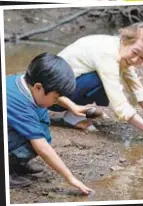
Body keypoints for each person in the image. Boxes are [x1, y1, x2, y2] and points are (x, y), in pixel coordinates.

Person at [49, 21, 143, 141]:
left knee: (106, 82)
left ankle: (75, 110)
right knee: (102, 81)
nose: (135, 60)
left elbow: (137, 88)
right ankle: (73, 117)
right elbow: (120, 105)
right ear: (125, 40)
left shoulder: (120, 50)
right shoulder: (108, 54)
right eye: (135, 52)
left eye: (142, 58)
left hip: (64, 90)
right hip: (51, 97)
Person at [7, 52, 93, 194]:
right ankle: (7, 170)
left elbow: (55, 93)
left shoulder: (26, 82)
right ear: (38, 87)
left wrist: (72, 106)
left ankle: (18, 163)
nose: (56, 101)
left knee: (40, 128)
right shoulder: (17, 103)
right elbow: (43, 148)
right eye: (55, 98)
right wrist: (70, 178)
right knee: (37, 138)